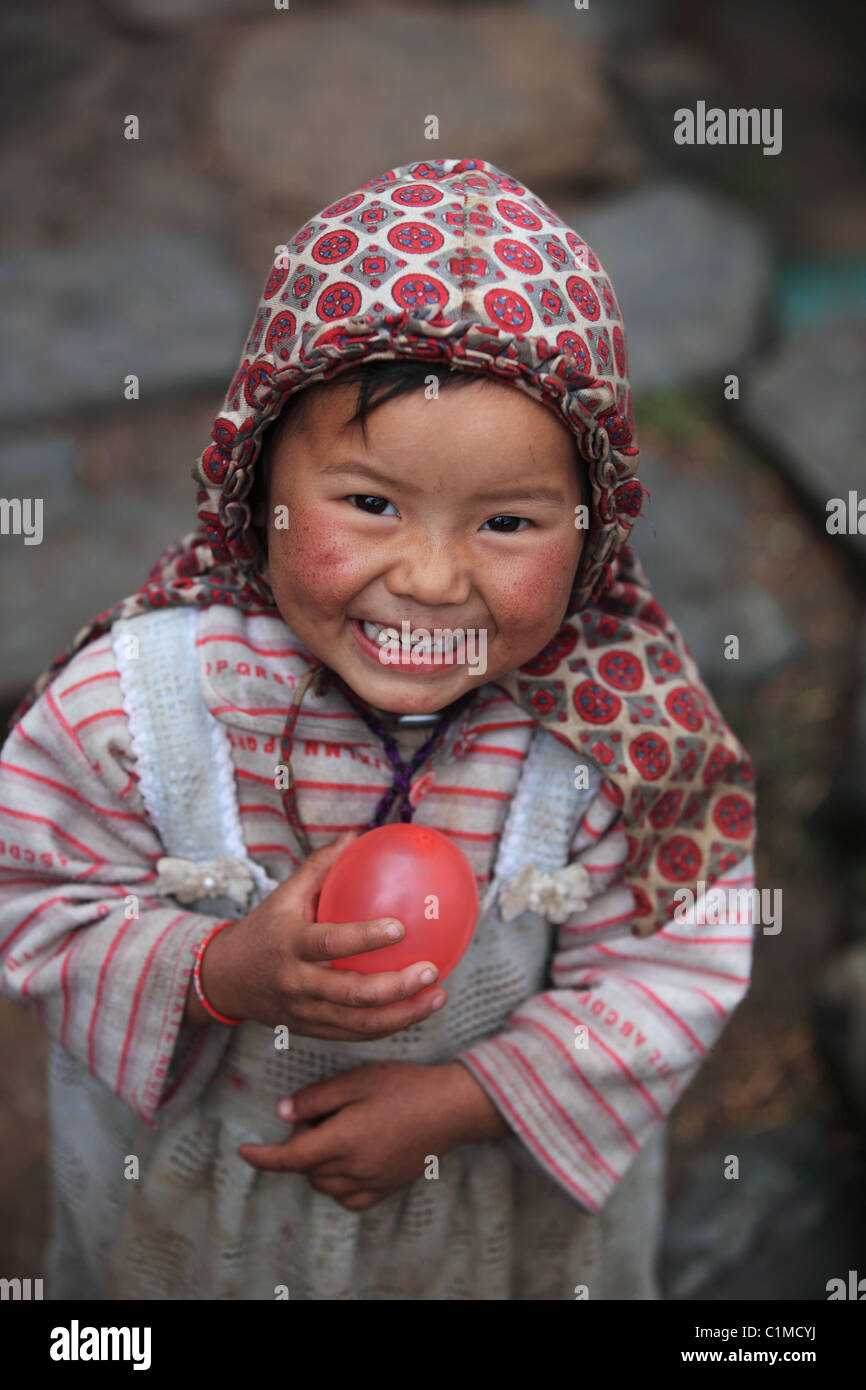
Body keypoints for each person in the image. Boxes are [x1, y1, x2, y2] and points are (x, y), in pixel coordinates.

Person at [0, 157, 757, 1300]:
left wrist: (472, 1097)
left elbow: (678, 953)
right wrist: (219, 967)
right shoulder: (141, 710)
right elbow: (34, 895)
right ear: (257, 484)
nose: (432, 576)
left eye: (507, 520)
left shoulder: (623, 735)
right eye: (369, 504)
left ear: (594, 524)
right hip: (211, 1218)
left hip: (488, 1219)